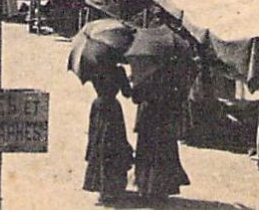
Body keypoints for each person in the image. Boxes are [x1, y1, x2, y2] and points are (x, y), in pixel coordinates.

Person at [131, 66, 191, 201]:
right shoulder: (172, 72)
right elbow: (180, 97)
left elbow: (135, 97)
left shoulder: (144, 72)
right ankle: (161, 189)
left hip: (147, 117)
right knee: (164, 152)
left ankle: (145, 188)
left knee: (147, 151)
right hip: (165, 118)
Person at [82, 62, 133, 204]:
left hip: (98, 106)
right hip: (113, 109)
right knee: (114, 145)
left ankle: (99, 185)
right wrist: (127, 80)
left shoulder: (94, 68)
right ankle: (112, 187)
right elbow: (127, 93)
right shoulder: (118, 71)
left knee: (97, 142)